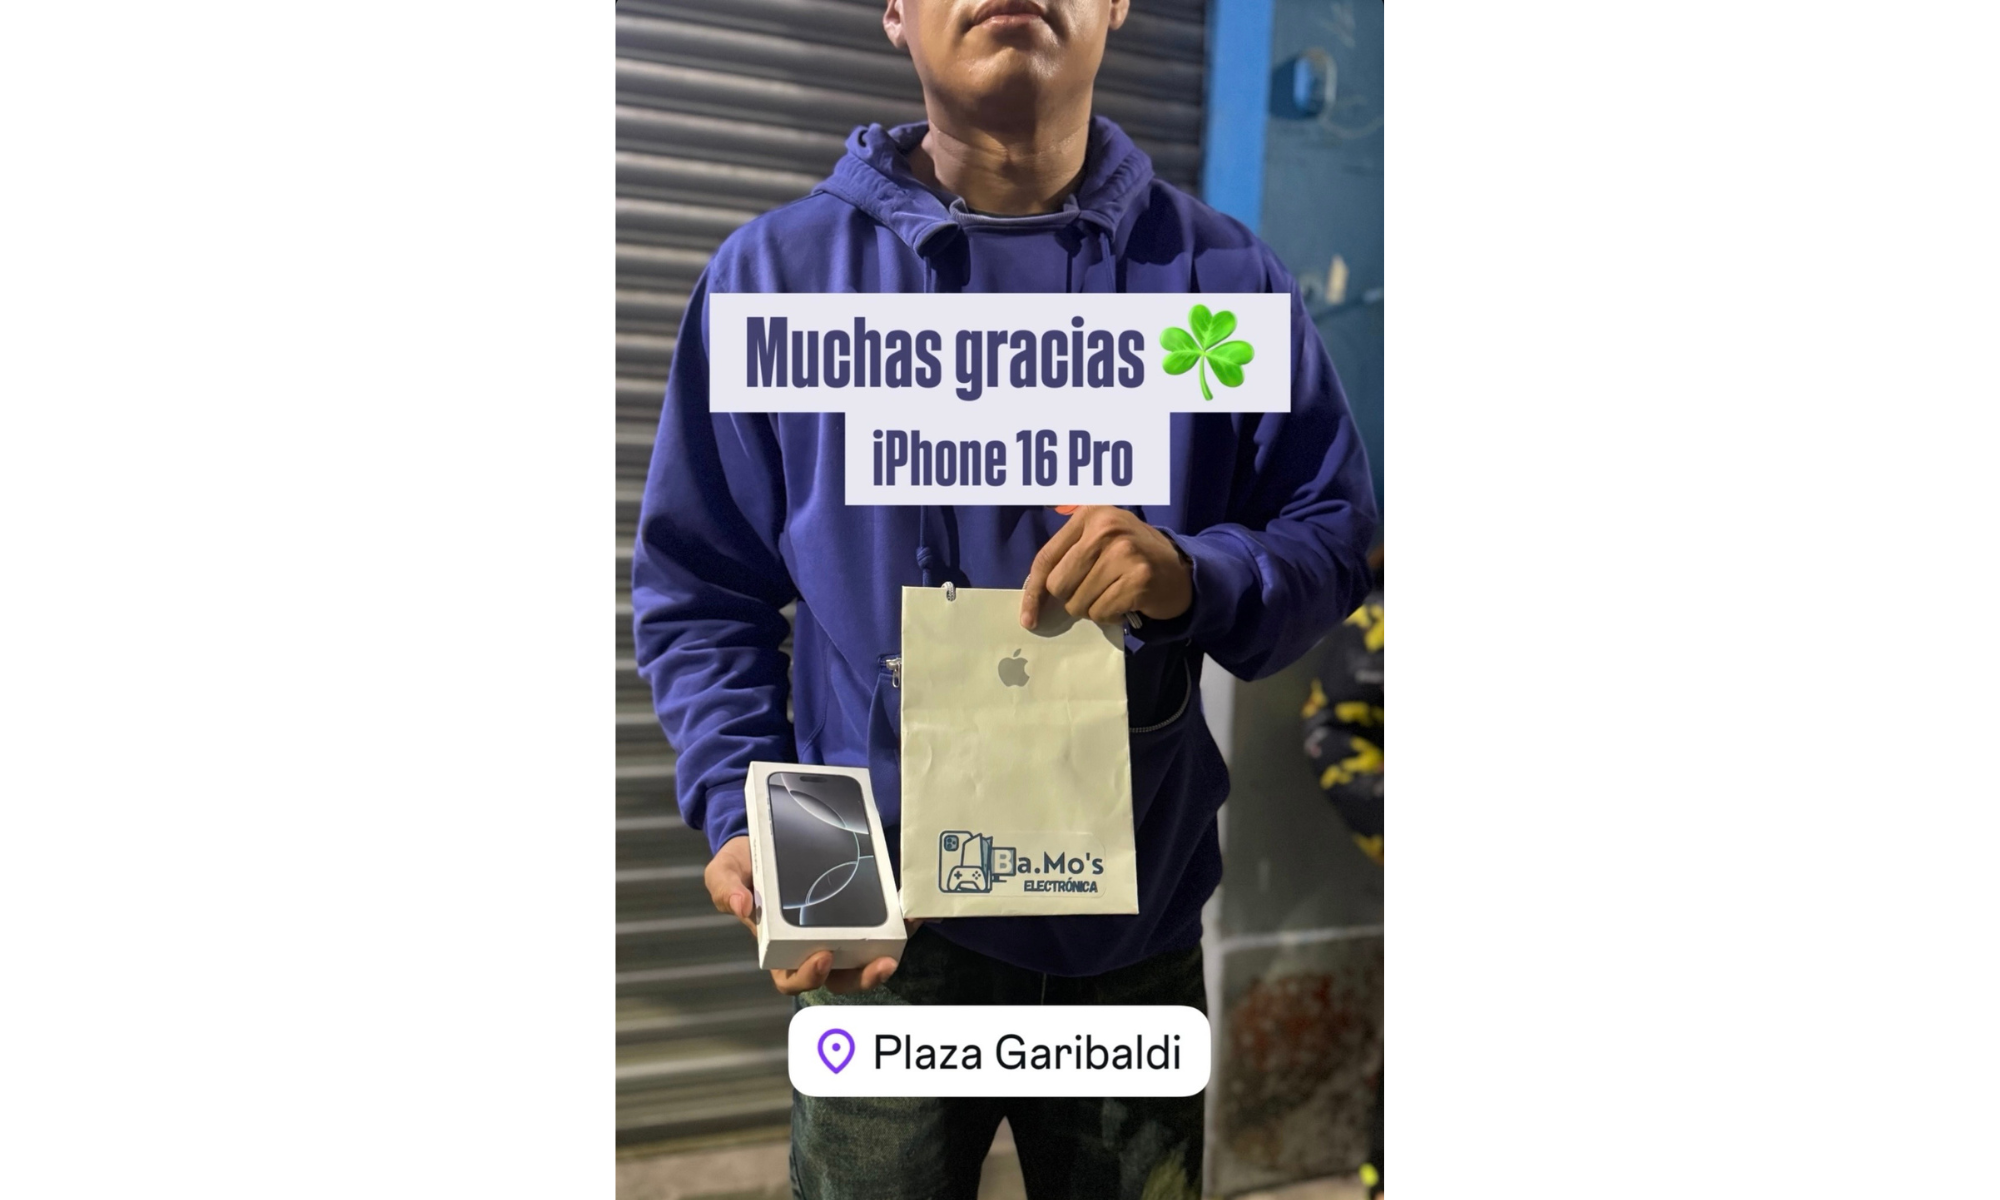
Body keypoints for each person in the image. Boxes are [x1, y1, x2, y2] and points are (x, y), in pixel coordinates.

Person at [632, 2, 1378, 1196]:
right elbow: (700, 592)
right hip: (872, 926)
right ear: (893, 12)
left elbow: (1329, 536)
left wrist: (1192, 573)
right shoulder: (777, 284)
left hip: (1127, 936)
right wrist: (740, 808)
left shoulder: (1217, 286)